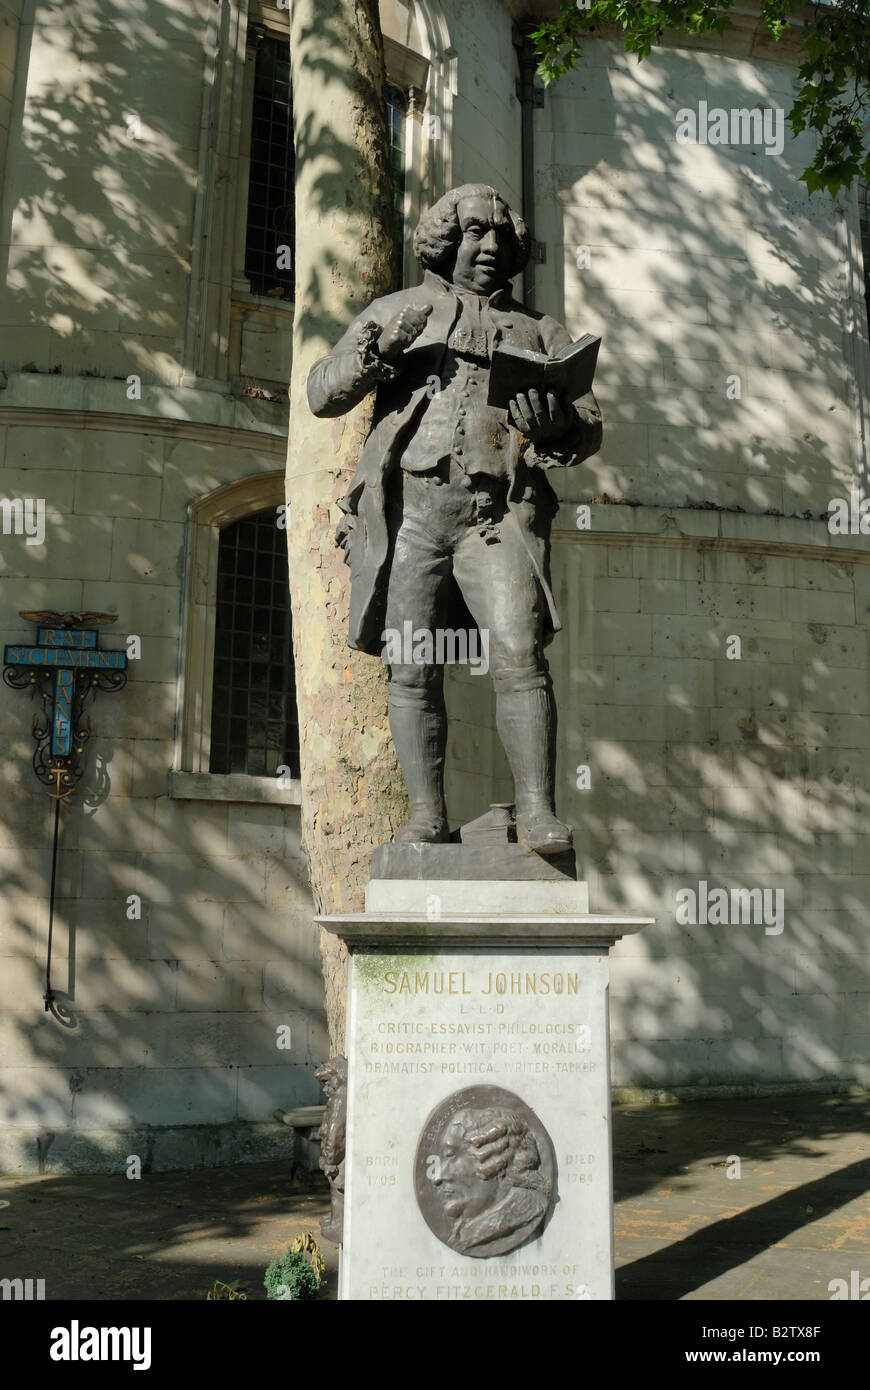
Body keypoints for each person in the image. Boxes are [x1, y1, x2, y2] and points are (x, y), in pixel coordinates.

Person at [307, 184, 602, 855]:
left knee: (520, 656)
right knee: (412, 666)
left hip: (495, 516)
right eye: (474, 233)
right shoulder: (398, 310)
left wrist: (552, 421)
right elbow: (323, 392)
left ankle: (537, 813)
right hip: (412, 514)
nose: (491, 248)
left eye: (502, 237)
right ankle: (424, 818)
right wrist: (378, 352)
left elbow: (587, 428)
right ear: (445, 239)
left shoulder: (538, 329)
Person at [433, 1106, 549, 1256]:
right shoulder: (465, 1231)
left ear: (494, 1158)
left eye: (451, 1155)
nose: (438, 1176)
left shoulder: (526, 1211)